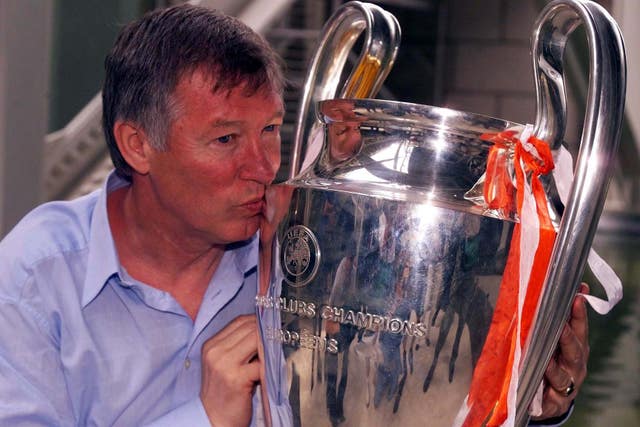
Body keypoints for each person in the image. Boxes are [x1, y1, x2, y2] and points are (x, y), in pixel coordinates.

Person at [0, 4, 587, 427]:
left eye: (272, 131)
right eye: (226, 139)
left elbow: (390, 403)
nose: (262, 167)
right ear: (137, 146)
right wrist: (206, 417)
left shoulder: (312, 253)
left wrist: (524, 387)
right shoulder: (34, 280)